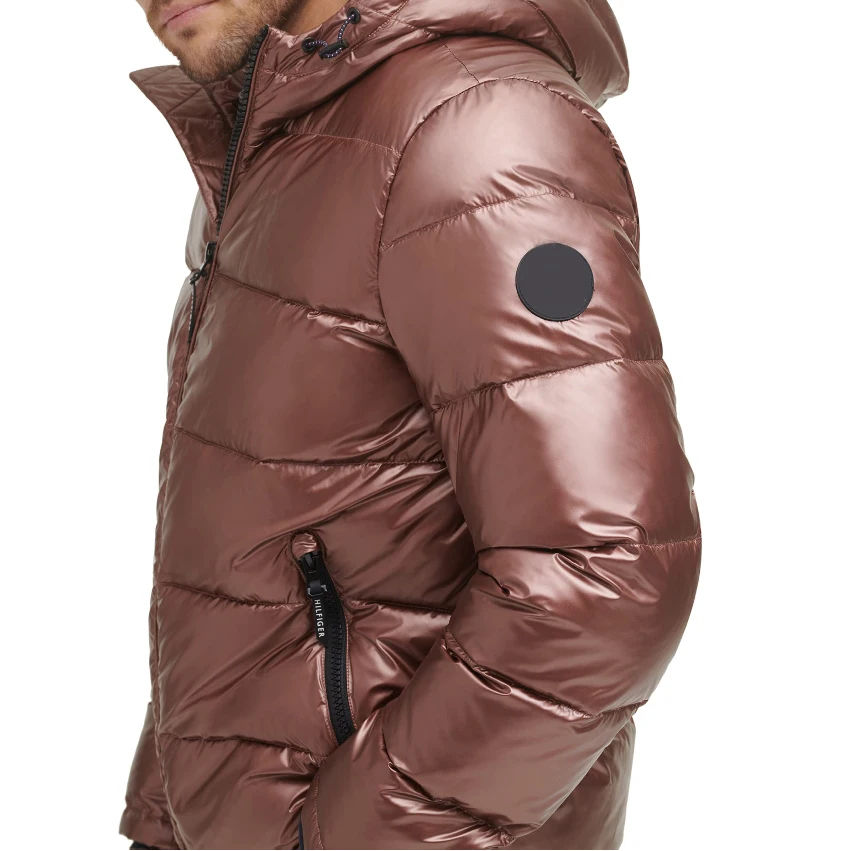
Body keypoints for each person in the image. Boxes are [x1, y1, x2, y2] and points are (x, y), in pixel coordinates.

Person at [121, 1, 702, 848]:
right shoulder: (284, 135)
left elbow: (606, 570)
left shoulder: (478, 133)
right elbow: (249, 558)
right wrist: (163, 821)